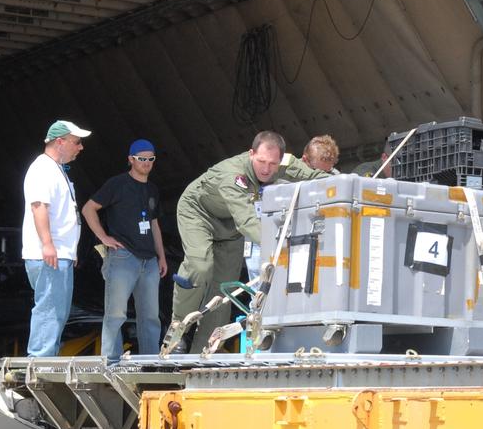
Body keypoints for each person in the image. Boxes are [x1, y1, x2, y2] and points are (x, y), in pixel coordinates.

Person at [169, 131, 324, 351]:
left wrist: (351, 181)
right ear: (251, 154)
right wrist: (277, 247)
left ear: (280, 160)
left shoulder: (283, 164)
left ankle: (205, 348)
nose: (266, 169)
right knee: (200, 265)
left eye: (272, 163)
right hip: (199, 213)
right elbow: (246, 220)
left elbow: (314, 176)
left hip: (230, 225)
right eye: (261, 161)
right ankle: (178, 329)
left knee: (223, 288)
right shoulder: (233, 175)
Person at [81, 139, 168, 361]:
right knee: (115, 313)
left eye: (151, 159)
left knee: (150, 316)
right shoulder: (116, 184)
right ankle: (110, 362)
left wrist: (161, 256)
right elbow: (89, 208)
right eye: (142, 159)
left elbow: (154, 223)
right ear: (130, 159)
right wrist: (104, 237)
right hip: (123, 256)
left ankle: (150, 362)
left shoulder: (152, 189)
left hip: (149, 261)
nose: (147, 163)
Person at [21, 119, 91, 356]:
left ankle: (44, 358)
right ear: (60, 142)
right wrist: (48, 244)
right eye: (77, 142)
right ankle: (40, 360)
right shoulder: (43, 169)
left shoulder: (55, 169)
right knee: (50, 308)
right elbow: (39, 206)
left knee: (57, 309)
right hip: (50, 254)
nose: (80, 148)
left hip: (60, 254)